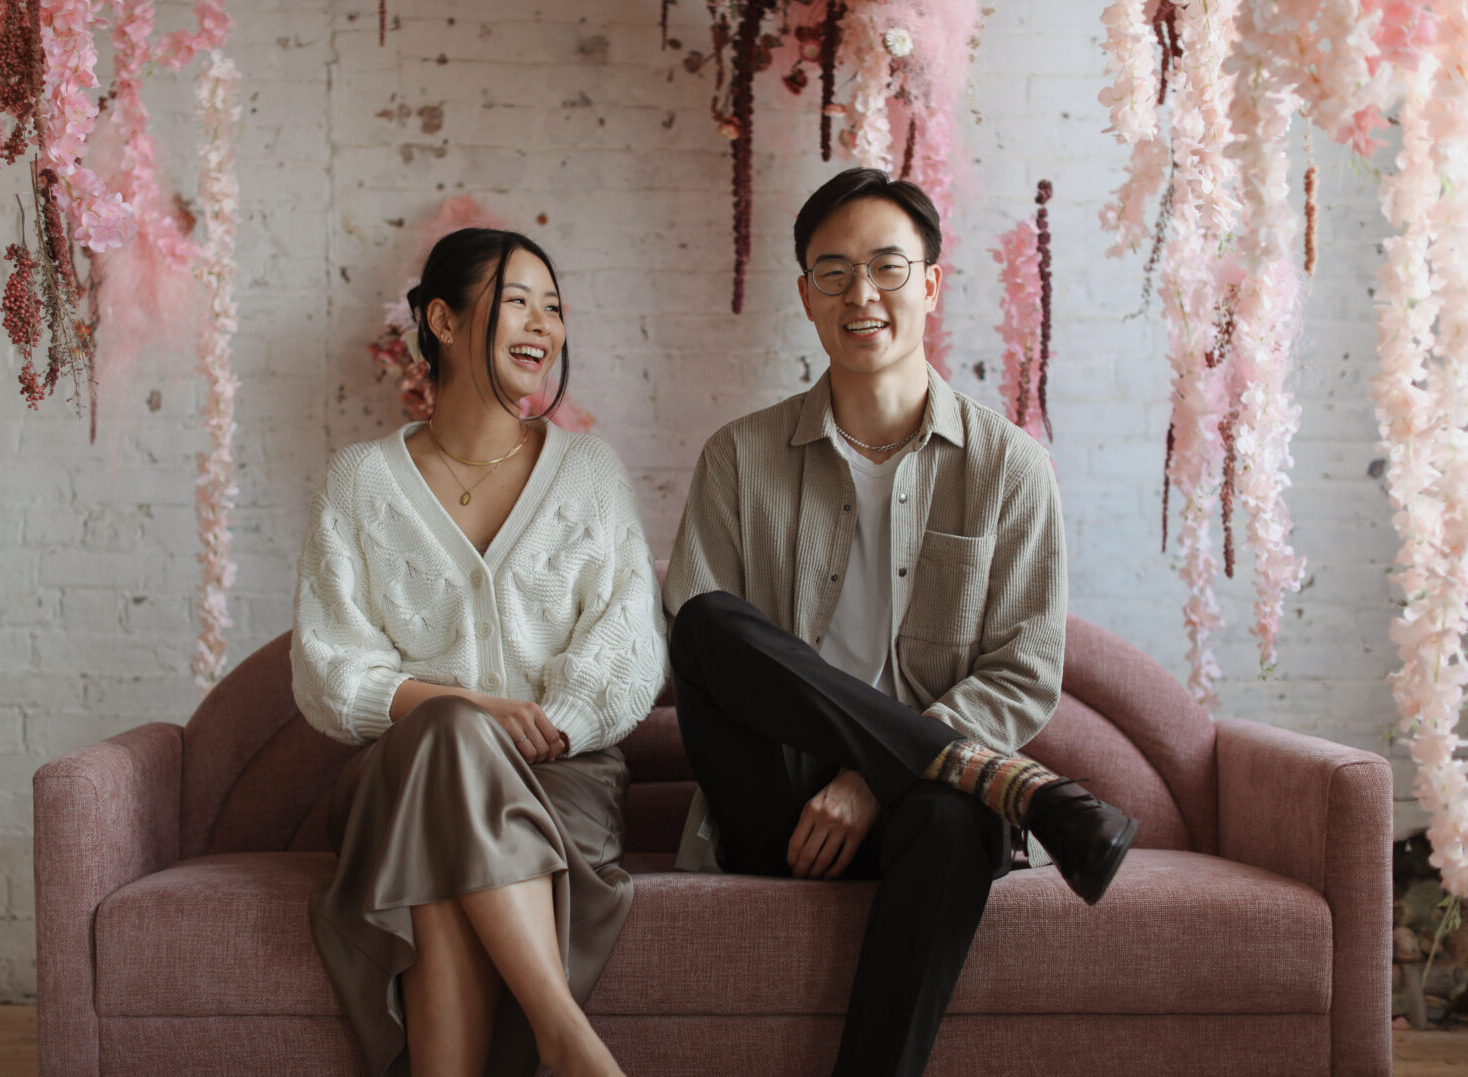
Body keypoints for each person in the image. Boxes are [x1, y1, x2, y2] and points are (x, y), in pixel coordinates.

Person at [663, 168, 1138, 1077]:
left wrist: (876, 775)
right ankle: (1031, 793)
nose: (861, 294)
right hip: (778, 799)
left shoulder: (1008, 467)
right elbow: (707, 657)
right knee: (705, 623)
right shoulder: (738, 455)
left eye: (886, 266)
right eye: (833, 272)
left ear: (930, 281)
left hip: (935, 807)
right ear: (805, 295)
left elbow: (1024, 670)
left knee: (956, 818)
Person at [291, 227, 666, 1077]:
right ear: (443, 321)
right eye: (518, 300)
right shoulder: (360, 479)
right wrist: (467, 715)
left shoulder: (590, 474)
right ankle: (563, 1036)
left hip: (556, 778)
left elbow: (630, 641)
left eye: (555, 305)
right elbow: (328, 665)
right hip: (398, 775)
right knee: (445, 741)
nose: (544, 323)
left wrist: (550, 723)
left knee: (442, 861)